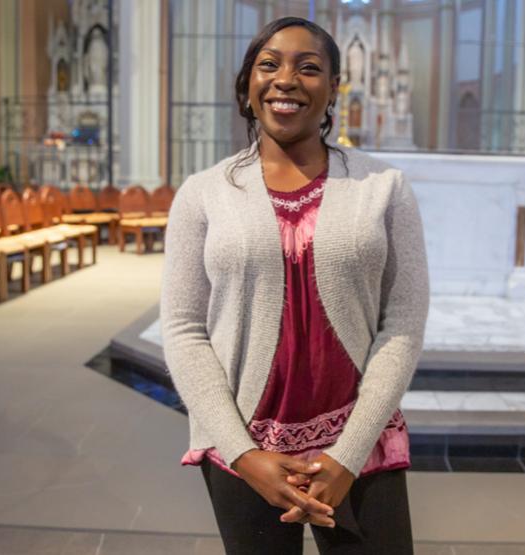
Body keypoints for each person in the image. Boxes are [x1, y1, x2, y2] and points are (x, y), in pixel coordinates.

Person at [161, 16, 429, 555]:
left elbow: (402, 322)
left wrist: (348, 454)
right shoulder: (202, 194)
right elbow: (184, 329)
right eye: (269, 65)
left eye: (309, 68)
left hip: (360, 440)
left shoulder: (384, 188)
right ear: (247, 87)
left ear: (333, 90)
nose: (286, 79)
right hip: (246, 444)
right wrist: (243, 454)